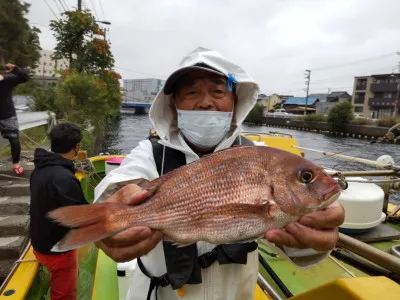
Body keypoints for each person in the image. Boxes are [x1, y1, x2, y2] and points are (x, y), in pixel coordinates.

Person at [94, 47, 345, 300]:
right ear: (173, 104)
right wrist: (112, 210)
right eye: (191, 92)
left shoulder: (261, 156)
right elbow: (118, 183)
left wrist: (314, 240)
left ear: (236, 103)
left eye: (217, 91)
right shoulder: (149, 153)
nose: (205, 102)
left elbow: (289, 237)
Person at [30, 122, 88, 300]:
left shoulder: (39, 169)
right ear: (76, 147)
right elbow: (83, 218)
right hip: (58, 250)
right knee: (65, 295)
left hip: (39, 242)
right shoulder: (63, 178)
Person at [0, 63, 29, 175]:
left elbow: (25, 77)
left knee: (14, 139)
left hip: (7, 114)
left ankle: (16, 163)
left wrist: (16, 68)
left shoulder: (7, 78)